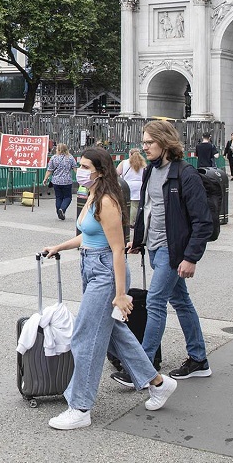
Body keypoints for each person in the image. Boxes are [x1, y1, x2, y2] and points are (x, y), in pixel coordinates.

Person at [40, 146, 177, 430]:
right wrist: (59, 246)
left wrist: (120, 293)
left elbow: (117, 250)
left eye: (85, 166)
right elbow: (87, 237)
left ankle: (80, 407)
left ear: (100, 171)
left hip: (105, 272)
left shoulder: (108, 202)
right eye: (80, 164)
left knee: (85, 337)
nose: (80, 170)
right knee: (115, 334)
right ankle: (158, 383)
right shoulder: (92, 194)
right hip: (91, 266)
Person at [118, 120, 213, 385]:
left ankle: (142, 367)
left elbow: (202, 221)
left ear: (165, 142)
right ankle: (199, 359)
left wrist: (190, 257)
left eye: (149, 142)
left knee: (155, 303)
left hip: (173, 252)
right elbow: (149, 210)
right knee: (181, 302)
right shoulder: (150, 171)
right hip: (155, 248)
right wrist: (138, 240)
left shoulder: (185, 174)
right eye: (144, 142)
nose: (144, 147)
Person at [43, 142, 77, 221]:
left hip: (56, 181)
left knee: (58, 197)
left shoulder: (54, 158)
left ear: (58, 150)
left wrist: (45, 179)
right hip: (67, 181)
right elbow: (75, 169)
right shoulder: (70, 158)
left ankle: (59, 211)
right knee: (68, 197)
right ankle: (62, 209)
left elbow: (49, 170)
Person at [116, 148, 144, 239]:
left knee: (125, 204)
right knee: (135, 205)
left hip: (126, 185)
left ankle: (126, 221)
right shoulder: (142, 163)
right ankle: (133, 222)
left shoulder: (124, 162)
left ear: (130, 154)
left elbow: (117, 172)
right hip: (139, 185)